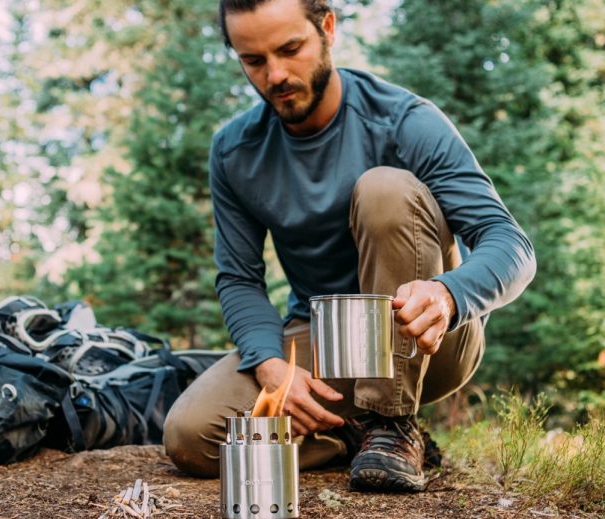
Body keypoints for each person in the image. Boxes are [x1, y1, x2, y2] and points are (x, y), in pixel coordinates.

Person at [164, 0, 536, 493]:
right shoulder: (235, 152)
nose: (275, 74)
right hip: (325, 343)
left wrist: (449, 295)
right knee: (194, 435)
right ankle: (356, 434)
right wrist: (272, 366)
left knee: (385, 189)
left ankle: (392, 420)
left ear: (328, 28)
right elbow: (239, 278)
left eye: (290, 49)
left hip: (428, 338)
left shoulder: (405, 121)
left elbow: (510, 243)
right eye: (253, 60)